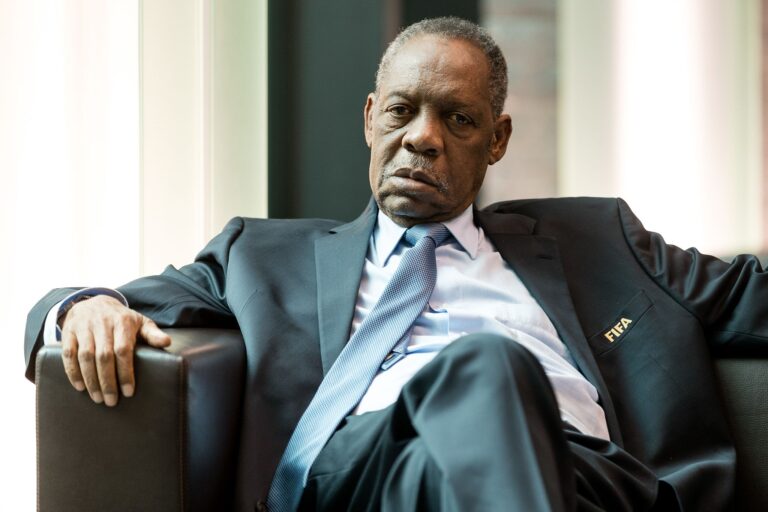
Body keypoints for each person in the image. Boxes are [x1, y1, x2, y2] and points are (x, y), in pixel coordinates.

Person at [23, 16, 768, 512]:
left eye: (458, 119)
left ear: (497, 140)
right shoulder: (263, 253)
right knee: (489, 367)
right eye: (401, 111)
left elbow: (749, 297)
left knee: (461, 444)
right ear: (369, 118)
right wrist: (85, 307)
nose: (422, 138)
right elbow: (98, 300)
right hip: (359, 473)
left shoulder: (597, 238)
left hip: (585, 476)